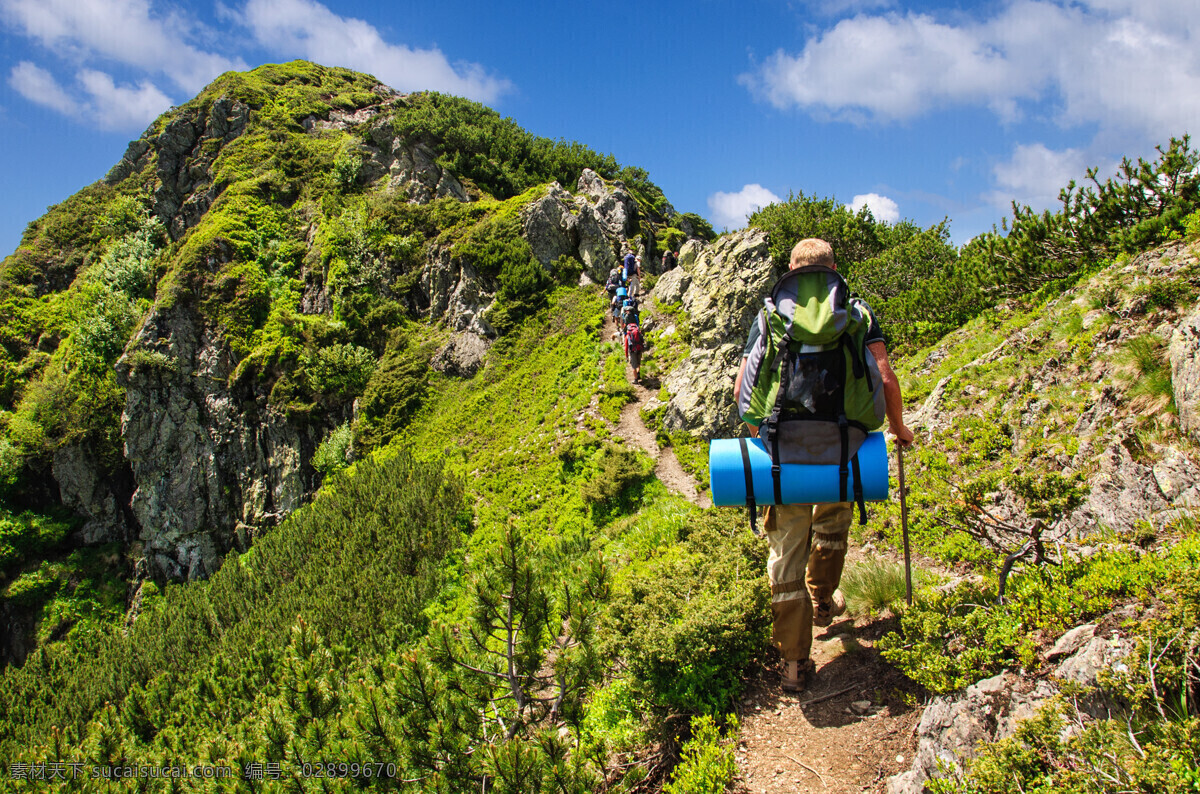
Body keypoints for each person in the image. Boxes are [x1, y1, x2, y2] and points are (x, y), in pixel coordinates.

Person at [733, 238, 914, 693]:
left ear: (792, 268)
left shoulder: (769, 314)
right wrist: (899, 427)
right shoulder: (856, 313)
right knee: (833, 528)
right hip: (843, 447)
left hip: (782, 455)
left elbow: (743, 392)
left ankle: (794, 663)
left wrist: (763, 435)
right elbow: (885, 375)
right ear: (833, 267)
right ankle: (822, 600)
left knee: (785, 553)